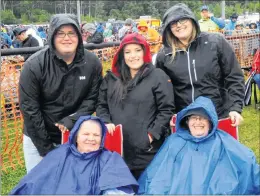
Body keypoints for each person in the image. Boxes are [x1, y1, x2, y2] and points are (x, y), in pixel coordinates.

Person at [19, 14, 103, 173]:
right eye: (60, 33)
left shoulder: (92, 62)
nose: (67, 38)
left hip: (74, 134)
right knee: (40, 184)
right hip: (37, 137)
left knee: (72, 182)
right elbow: (30, 109)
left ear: (79, 36)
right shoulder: (34, 65)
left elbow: (93, 97)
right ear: (51, 36)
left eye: (71, 33)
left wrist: (73, 119)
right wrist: (45, 149)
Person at [138, 96, 260, 195]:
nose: (198, 122)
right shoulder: (174, 141)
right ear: (187, 121)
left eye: (202, 118)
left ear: (210, 122)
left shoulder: (223, 141)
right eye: (194, 118)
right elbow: (157, 173)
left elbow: (246, 160)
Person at [96, 33, 175, 180]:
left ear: (145, 52)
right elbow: (101, 105)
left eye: (137, 50)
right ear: (122, 55)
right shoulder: (111, 79)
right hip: (117, 150)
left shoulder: (158, 76)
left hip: (147, 151)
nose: (133, 56)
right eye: (128, 52)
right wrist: (105, 121)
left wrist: (151, 136)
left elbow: (166, 109)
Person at [156, 3, 245, 125]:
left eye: (183, 20)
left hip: (218, 114)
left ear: (192, 20)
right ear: (168, 28)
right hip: (184, 120)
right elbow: (162, 90)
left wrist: (235, 108)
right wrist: (168, 114)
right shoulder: (164, 55)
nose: (179, 25)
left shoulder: (215, 42)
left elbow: (234, 76)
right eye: (173, 23)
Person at [10, 116, 138, 195]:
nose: (91, 139)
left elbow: (118, 190)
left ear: (102, 139)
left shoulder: (110, 158)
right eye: (86, 134)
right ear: (76, 136)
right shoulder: (60, 155)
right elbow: (35, 182)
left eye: (96, 135)